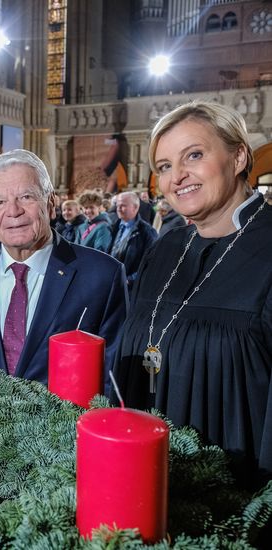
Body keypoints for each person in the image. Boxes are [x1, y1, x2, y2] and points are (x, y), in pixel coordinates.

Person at [112, 100, 272, 487]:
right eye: (165, 166)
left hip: (236, 491)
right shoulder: (166, 248)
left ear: (238, 157)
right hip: (144, 476)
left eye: (194, 155)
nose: (177, 177)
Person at [0, 149, 128, 385]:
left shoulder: (103, 276)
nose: (13, 211)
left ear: (51, 204)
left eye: (26, 197)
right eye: (0, 201)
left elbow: (113, 379)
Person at [109, 192, 158, 290]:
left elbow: (151, 264)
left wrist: (128, 281)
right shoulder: (114, 226)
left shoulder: (147, 232)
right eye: (117, 205)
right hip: (112, 283)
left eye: (123, 206)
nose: (118, 209)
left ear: (135, 208)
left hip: (130, 289)